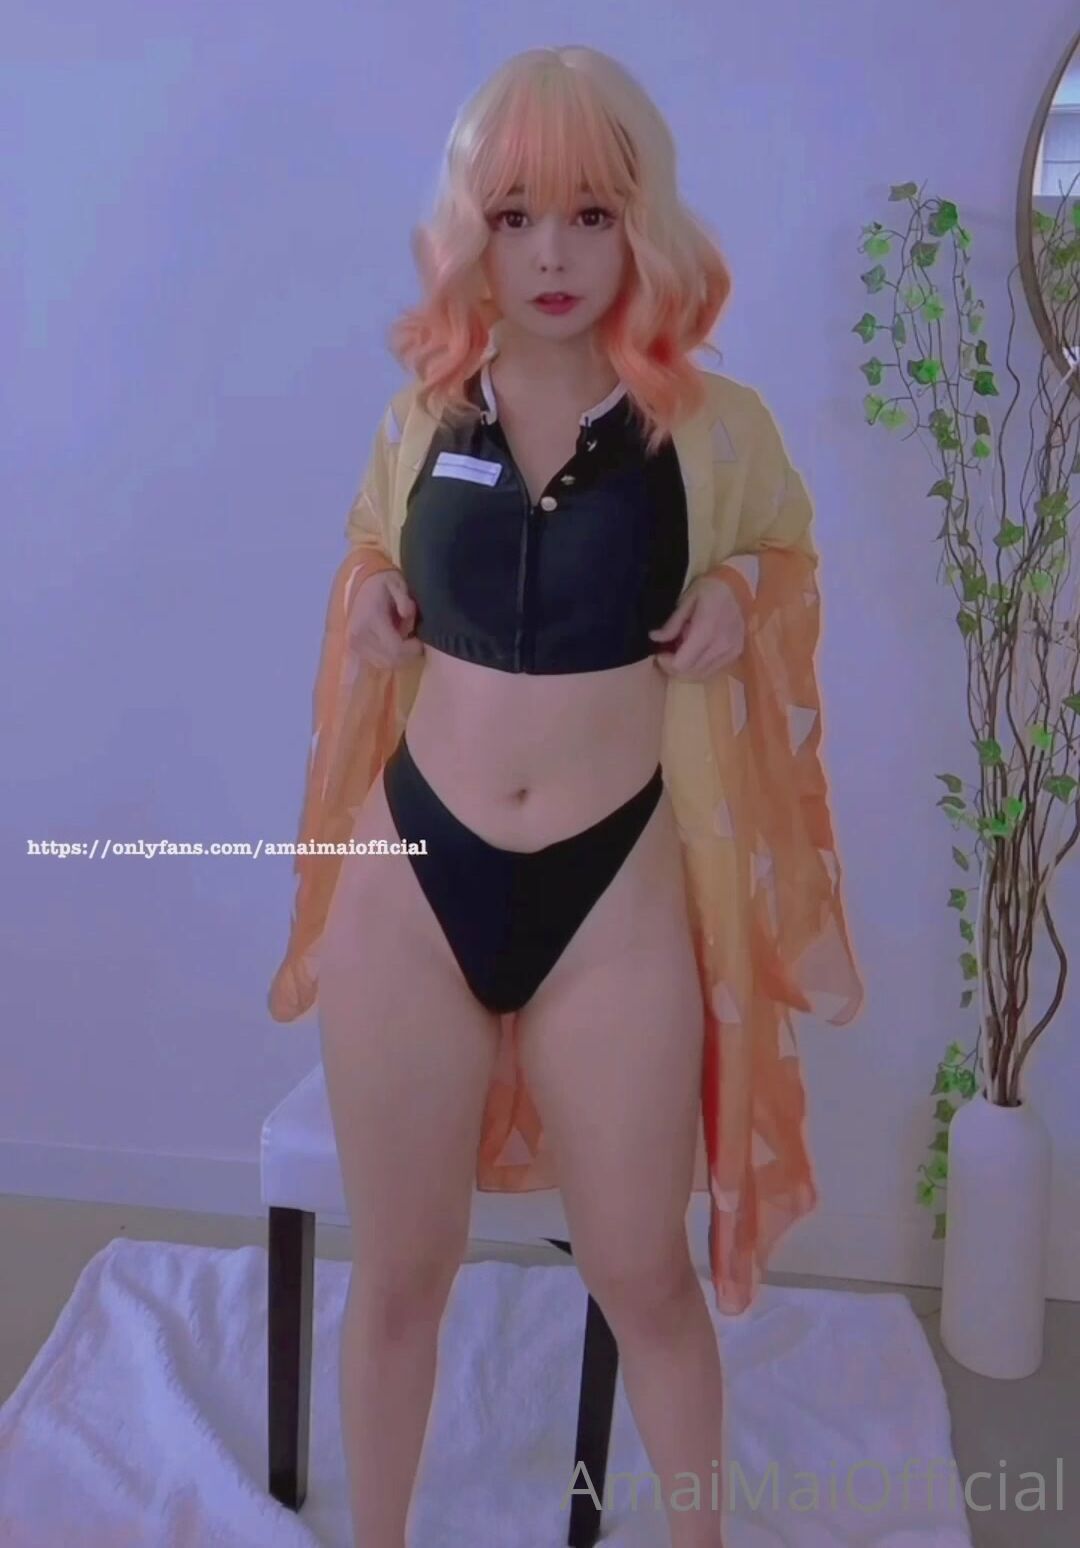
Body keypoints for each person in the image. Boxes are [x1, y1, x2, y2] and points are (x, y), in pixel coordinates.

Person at [268, 44, 865, 1548]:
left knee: (645, 1277)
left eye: (591, 215)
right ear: (470, 230)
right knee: (401, 1277)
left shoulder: (709, 429)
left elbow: (784, 553)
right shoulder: (422, 417)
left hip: (614, 885)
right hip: (418, 871)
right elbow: (368, 548)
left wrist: (737, 591)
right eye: (517, 214)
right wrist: (369, 598)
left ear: (640, 225)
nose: (552, 254)